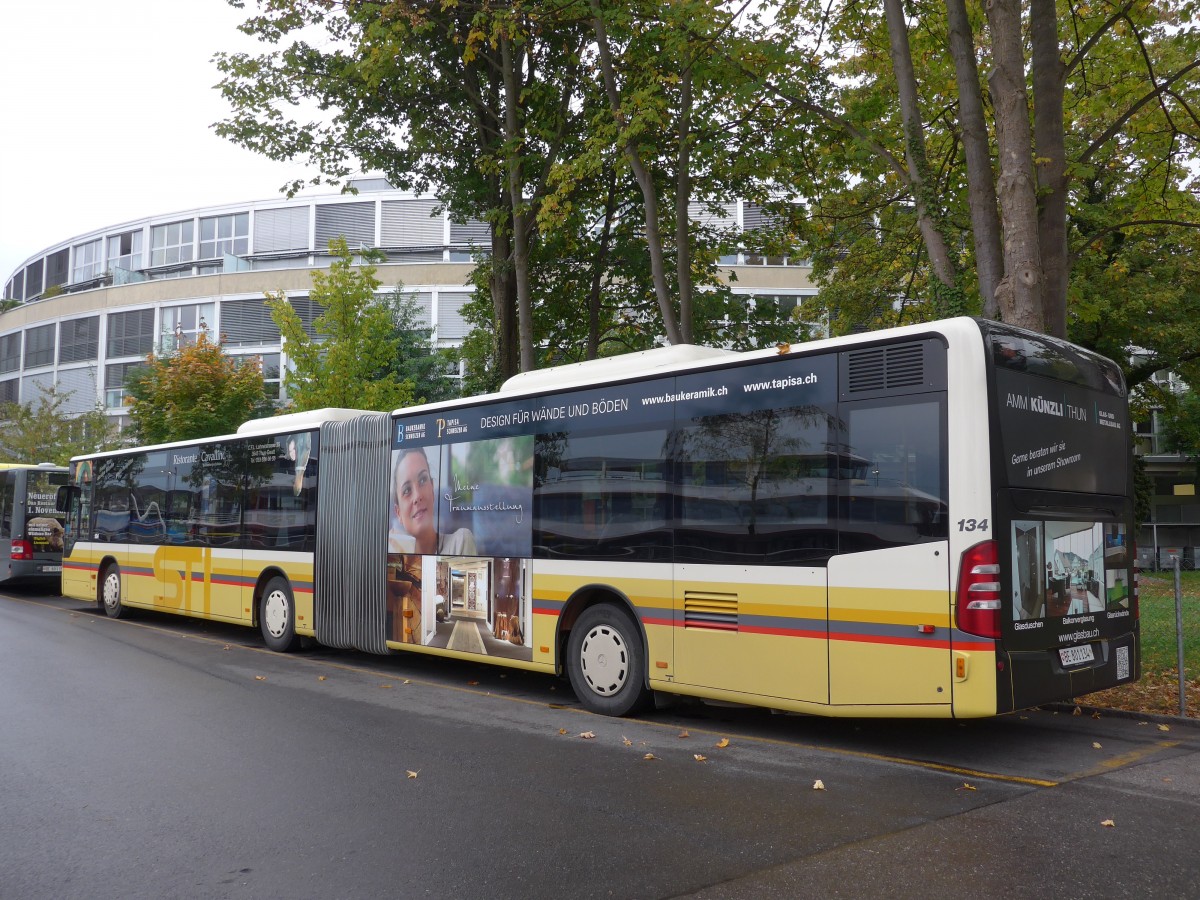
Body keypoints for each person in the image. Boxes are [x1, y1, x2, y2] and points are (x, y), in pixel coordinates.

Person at [389, 447, 476, 555]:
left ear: (432, 490)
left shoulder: (460, 542)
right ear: (398, 513)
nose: (417, 496)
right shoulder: (393, 554)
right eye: (407, 490)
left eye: (422, 480)